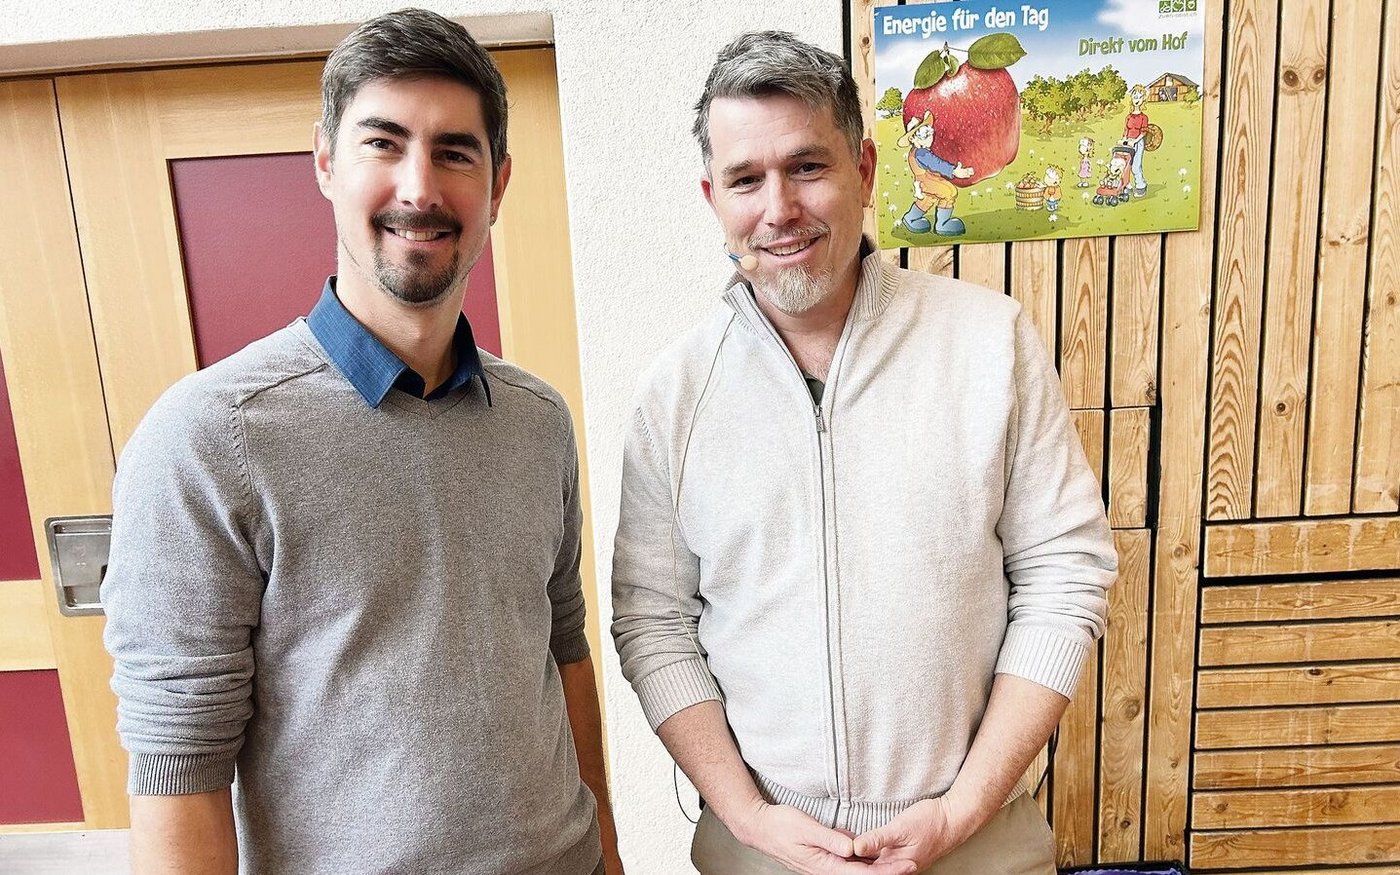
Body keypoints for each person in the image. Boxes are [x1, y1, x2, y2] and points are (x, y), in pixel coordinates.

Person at [101, 9, 620, 875]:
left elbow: (563, 657)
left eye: (456, 151)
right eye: (384, 143)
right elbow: (178, 763)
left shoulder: (539, 422)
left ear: (498, 185)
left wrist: (608, 855)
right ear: (325, 165)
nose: (420, 186)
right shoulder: (209, 438)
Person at [611, 31, 1116, 875]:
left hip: (978, 841)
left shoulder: (991, 345)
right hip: (761, 851)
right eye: (746, 179)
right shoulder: (673, 396)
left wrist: (958, 812)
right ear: (713, 197)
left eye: (807, 166)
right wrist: (750, 817)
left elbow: (1066, 575)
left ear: (867, 170)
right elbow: (653, 622)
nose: (779, 208)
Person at [896, 110, 974, 236]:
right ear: (913, 139)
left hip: (925, 181)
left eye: (930, 134)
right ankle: (943, 224)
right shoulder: (922, 153)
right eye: (924, 136)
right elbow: (936, 163)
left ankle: (911, 218)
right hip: (926, 180)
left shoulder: (917, 151)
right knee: (949, 192)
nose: (930, 138)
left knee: (928, 198)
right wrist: (954, 171)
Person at [1123, 84, 1150, 197]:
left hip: (1138, 142)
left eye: (1139, 97)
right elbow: (1126, 129)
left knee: (1136, 166)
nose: (1136, 100)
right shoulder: (1129, 116)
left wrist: (1135, 140)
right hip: (1128, 142)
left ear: (1143, 99)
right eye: (1135, 97)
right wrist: (1124, 139)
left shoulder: (1143, 117)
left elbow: (1143, 132)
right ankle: (1127, 184)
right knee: (1125, 165)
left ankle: (1141, 185)